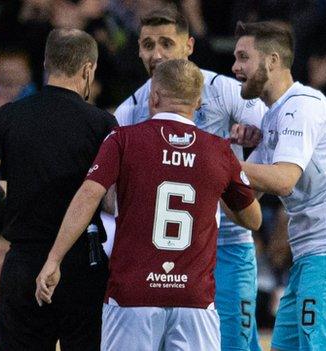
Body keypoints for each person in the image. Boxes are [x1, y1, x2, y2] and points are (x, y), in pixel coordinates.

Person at [36, 58, 262, 351]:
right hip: (194, 300)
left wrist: (54, 259)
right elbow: (253, 220)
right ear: (198, 101)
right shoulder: (218, 150)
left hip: (133, 296)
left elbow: (88, 195)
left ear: (154, 96)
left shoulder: (122, 139)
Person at [109, 7, 266, 350]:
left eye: (167, 43)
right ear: (137, 49)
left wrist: (247, 178)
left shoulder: (227, 91)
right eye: (148, 44)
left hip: (228, 245)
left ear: (189, 46)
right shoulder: (130, 111)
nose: (157, 54)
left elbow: (276, 135)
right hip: (163, 254)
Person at [0, 28, 117, 350]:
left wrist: (15, 188)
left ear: (46, 63)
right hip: (82, 265)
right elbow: (113, 202)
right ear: (88, 69)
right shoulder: (102, 123)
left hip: (24, 263)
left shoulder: (9, 115)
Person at [232, 21, 326, 350]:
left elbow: (283, 180)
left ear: (271, 61)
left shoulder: (302, 107)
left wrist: (223, 163)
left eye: (243, 57)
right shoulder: (275, 117)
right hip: (310, 262)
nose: (235, 66)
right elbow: (246, 204)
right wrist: (232, 155)